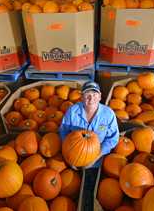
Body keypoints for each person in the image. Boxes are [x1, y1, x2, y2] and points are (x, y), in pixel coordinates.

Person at [59, 81, 119, 210]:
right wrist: (68, 155)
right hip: (71, 159)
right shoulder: (72, 111)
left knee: (91, 191)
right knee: (69, 189)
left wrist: (97, 155)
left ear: (100, 96)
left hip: (97, 160)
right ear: (81, 96)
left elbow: (113, 139)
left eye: (94, 94)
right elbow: (63, 132)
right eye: (87, 94)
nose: (91, 98)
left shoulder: (108, 114)